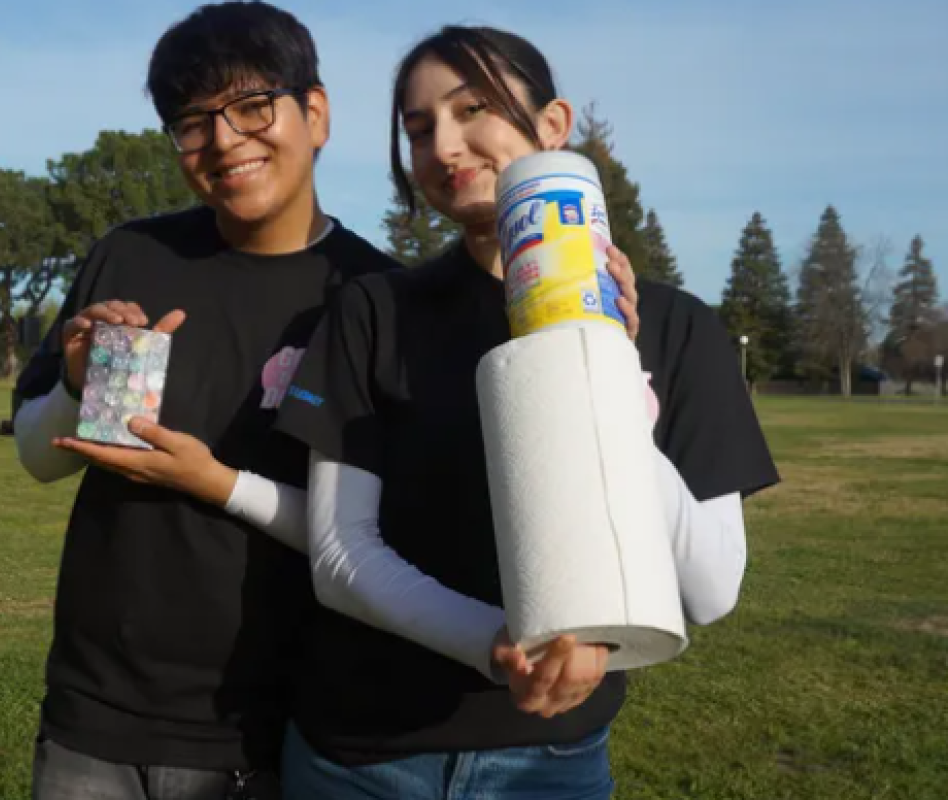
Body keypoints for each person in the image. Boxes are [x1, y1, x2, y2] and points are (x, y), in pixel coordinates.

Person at [267, 25, 782, 799]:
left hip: (549, 767)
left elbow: (710, 590)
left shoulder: (678, 328)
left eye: (473, 108)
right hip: (357, 757)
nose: (445, 146)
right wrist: (500, 644)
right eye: (419, 130)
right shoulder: (375, 311)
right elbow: (340, 555)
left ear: (553, 124)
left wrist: (595, 364)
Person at [11, 3, 400, 798]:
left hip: (273, 724)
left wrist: (209, 479)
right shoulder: (132, 256)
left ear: (316, 113)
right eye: (193, 123)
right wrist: (77, 385)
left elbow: (373, 534)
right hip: (96, 710)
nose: (223, 141)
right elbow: (38, 459)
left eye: (252, 106)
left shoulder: (376, 295)